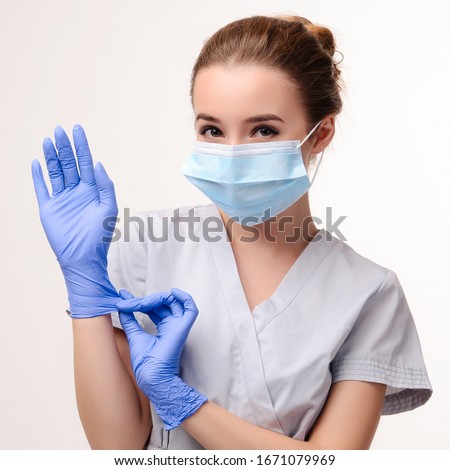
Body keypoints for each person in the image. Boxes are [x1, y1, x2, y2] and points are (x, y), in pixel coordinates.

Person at [31, 14, 432, 450]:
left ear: (321, 134)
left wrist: (183, 403)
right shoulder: (146, 250)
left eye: (263, 130)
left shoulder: (368, 294)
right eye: (213, 130)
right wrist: (84, 285)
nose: (234, 153)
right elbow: (115, 448)